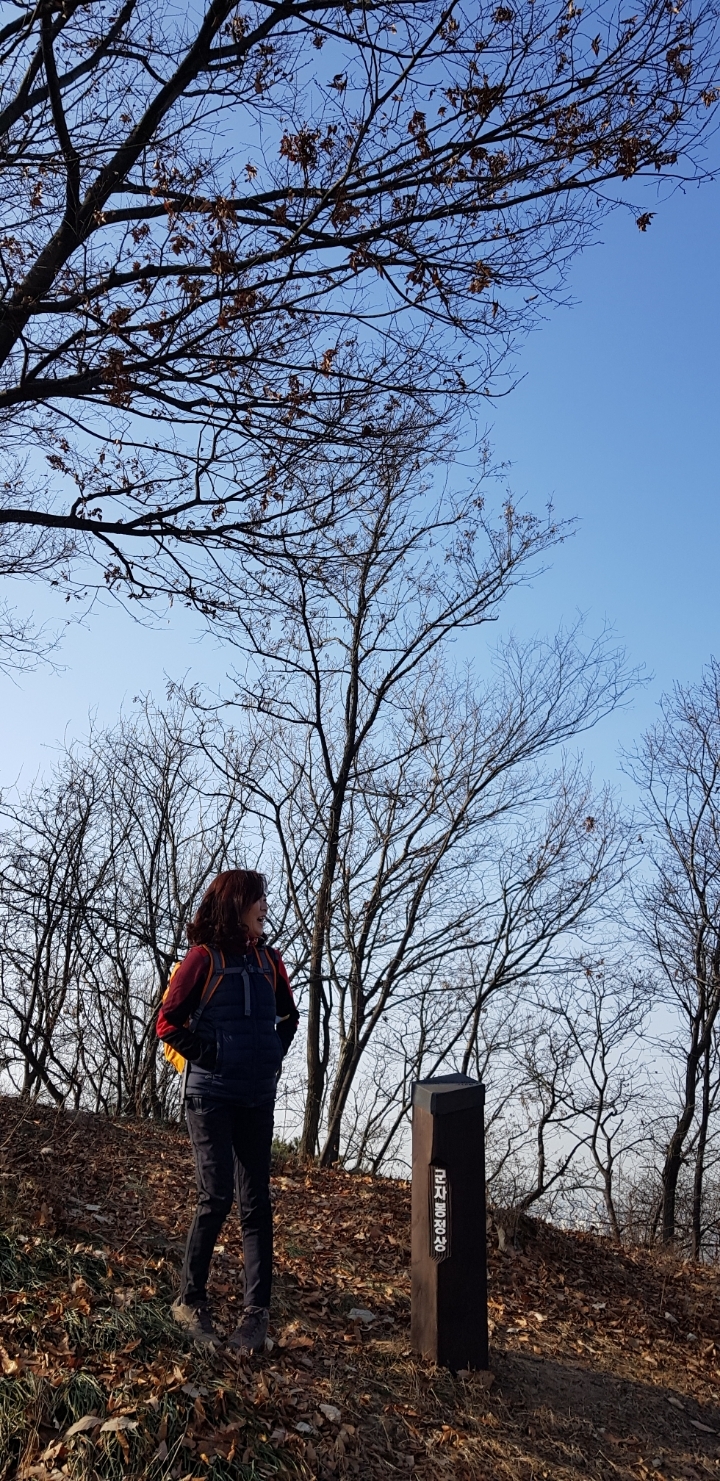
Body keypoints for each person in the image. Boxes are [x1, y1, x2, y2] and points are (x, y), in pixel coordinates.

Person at [156, 868, 299, 1354]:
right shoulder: (202, 959)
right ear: (236, 903)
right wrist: (212, 1055)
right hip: (210, 1097)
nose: (265, 906)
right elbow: (167, 1023)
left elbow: (289, 1016)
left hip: (257, 1098)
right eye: (259, 898)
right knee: (216, 1196)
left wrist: (273, 1053)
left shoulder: (270, 961)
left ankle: (256, 1316)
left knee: (257, 1204)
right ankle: (189, 1300)